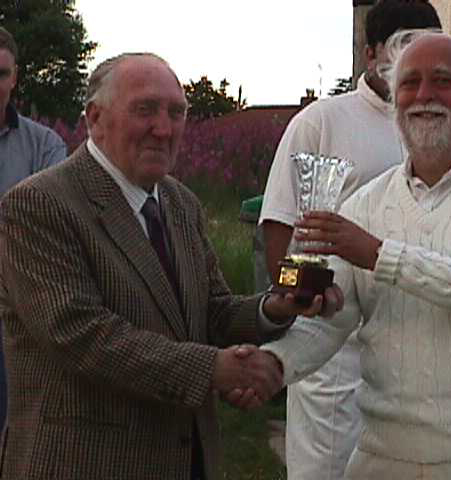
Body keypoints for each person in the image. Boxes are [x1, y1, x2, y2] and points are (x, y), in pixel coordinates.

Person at [0, 52, 341, 480]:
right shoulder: (38, 205)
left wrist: (277, 307)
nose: (163, 129)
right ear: (95, 118)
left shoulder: (179, 202)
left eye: (176, 113)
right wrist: (214, 369)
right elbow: (80, 334)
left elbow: (211, 309)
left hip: (187, 459)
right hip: (85, 462)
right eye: (145, 110)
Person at [261, 31, 451, 479]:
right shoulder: (367, 202)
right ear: (393, 97)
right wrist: (273, 363)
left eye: (442, 80)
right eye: (410, 83)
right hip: (384, 456)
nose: (424, 96)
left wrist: (376, 253)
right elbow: (334, 323)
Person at [258, 1, 442, 478]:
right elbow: (282, 227)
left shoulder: (445, 125)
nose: (417, 59)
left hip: (420, 336)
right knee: (329, 468)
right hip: (337, 342)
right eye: (404, 45)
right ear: (369, 54)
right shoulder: (323, 122)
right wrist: (302, 299)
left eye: (429, 45)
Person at [0, 26, 67, 428]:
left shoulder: (45, 146)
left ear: (15, 77)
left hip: (18, 309)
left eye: (1, 74)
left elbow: (49, 227)